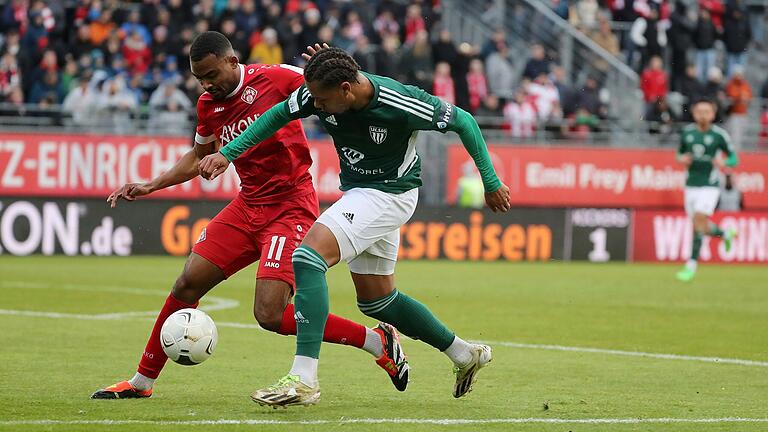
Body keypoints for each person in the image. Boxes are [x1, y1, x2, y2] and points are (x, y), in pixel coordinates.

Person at [91, 33, 406, 400]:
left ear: (231, 60)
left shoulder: (278, 77)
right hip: (248, 205)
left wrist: (337, 62)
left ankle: (374, 340)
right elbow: (197, 155)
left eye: (211, 74)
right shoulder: (208, 104)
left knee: (270, 314)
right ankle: (141, 382)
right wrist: (151, 185)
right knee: (187, 284)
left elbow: (337, 88)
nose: (206, 84)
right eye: (199, 79)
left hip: (291, 206)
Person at [200, 44, 511, 407]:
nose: (314, 105)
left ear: (346, 90)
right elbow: (275, 116)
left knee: (307, 258)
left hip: (390, 194)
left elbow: (464, 121)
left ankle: (304, 379)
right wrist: (227, 153)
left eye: (322, 99)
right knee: (379, 302)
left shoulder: (400, 101)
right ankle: (463, 354)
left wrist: (490, 181)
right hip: (361, 193)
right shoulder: (321, 94)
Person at [675, 99, 738, 282]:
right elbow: (679, 154)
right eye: (699, 111)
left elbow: (735, 158)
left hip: (709, 185)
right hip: (691, 185)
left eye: (706, 111)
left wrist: (724, 162)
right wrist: (681, 159)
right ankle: (725, 233)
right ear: (694, 113)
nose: (703, 115)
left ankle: (691, 265)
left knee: (699, 219)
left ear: (713, 114)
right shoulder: (687, 133)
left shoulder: (719, 135)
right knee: (698, 225)